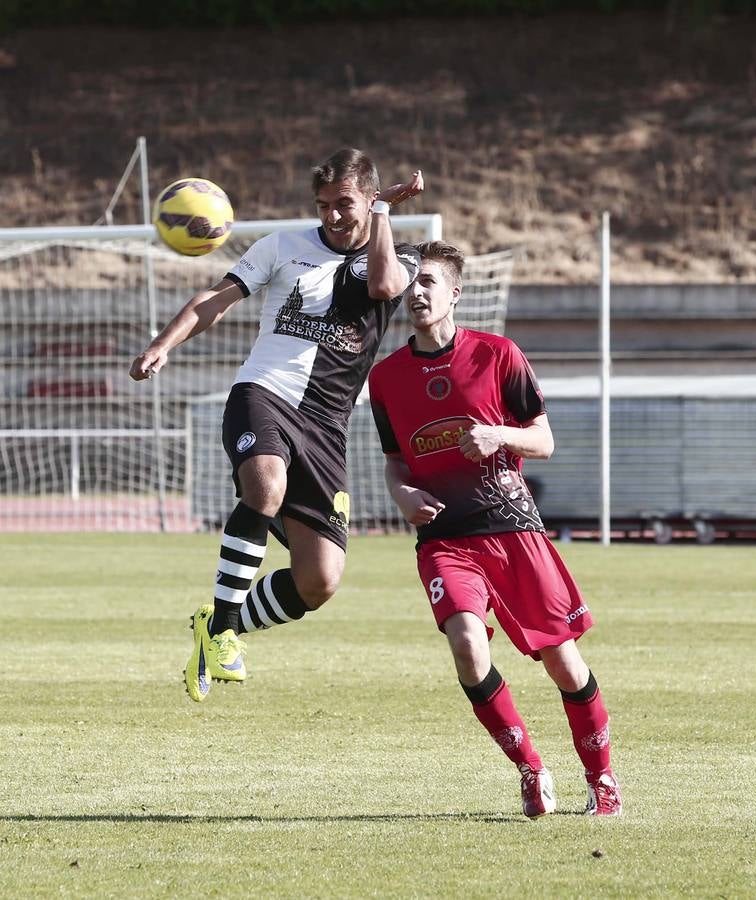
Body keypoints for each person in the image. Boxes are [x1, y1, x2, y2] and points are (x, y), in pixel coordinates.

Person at [130, 148, 424, 703]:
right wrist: (161, 346)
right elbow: (213, 300)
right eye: (323, 205)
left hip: (327, 425)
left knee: (319, 581)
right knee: (265, 484)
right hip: (264, 394)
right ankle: (220, 631)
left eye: (345, 204)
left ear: (370, 198)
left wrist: (383, 215)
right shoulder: (281, 247)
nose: (332, 216)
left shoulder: (401, 254)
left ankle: (218, 623)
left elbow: (384, 288)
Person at [367, 241, 622, 818]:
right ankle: (531, 769)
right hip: (445, 540)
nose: (418, 291)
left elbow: (545, 440)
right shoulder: (385, 378)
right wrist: (401, 492)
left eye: (429, 281)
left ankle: (602, 778)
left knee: (563, 662)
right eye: (411, 282)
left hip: (511, 529)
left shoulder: (498, 355)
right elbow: (395, 459)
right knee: (467, 647)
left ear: (455, 292)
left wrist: (499, 436)